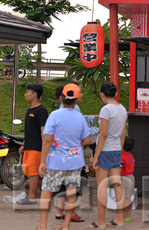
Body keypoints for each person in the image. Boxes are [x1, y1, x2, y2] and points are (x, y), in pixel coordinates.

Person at [35, 83, 91, 230]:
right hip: (75, 162)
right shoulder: (80, 117)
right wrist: (74, 143)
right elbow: (87, 140)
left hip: (55, 162)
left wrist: (42, 162)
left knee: (46, 192)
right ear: (76, 98)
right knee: (71, 192)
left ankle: (43, 226)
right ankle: (65, 225)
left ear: (63, 97)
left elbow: (47, 139)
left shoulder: (54, 115)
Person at [86, 82, 128, 229]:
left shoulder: (106, 110)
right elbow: (123, 132)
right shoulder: (122, 109)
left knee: (102, 187)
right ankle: (119, 219)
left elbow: (103, 135)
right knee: (117, 185)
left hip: (105, 151)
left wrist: (96, 156)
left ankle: (101, 221)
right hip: (116, 150)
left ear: (103, 95)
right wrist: (120, 148)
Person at [18, 83, 48, 205]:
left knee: (33, 172)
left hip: (37, 147)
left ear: (34, 94)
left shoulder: (41, 111)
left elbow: (43, 131)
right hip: (29, 146)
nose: (25, 95)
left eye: (27, 92)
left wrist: (44, 147)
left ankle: (32, 197)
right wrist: (24, 144)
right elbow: (29, 130)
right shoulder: (30, 110)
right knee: (30, 171)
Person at [121, 136, 135, 223]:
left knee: (124, 198)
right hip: (131, 177)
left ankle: (123, 216)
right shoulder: (130, 155)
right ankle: (128, 215)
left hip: (124, 178)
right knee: (129, 197)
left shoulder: (121, 157)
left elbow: (119, 169)